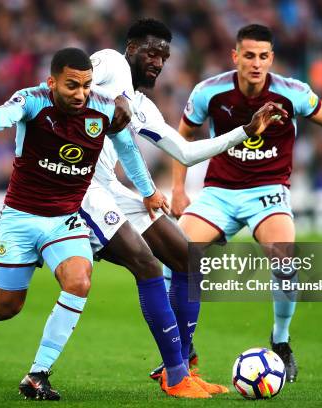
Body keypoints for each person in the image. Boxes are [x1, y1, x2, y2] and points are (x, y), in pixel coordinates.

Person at [80, 18, 287, 397]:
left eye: (164, 56)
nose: (158, 62)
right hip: (80, 188)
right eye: (151, 52)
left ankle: (180, 366)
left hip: (114, 189)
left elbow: (186, 152)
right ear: (130, 48)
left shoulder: (143, 107)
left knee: (189, 260)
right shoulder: (108, 62)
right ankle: (176, 376)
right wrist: (114, 98)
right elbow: (78, 82)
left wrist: (246, 131)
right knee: (147, 265)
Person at [169, 24, 322, 382]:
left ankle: (280, 340)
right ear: (235, 56)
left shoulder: (292, 92)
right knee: (174, 252)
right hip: (219, 191)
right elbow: (181, 136)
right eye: (248, 55)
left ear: (272, 58)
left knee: (284, 256)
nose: (256, 63)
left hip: (268, 191)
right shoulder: (210, 91)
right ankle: (181, 349)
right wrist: (177, 188)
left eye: (263, 56)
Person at [0, 47, 164, 401]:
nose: (81, 93)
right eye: (72, 86)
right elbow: (8, 113)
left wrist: (147, 192)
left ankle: (37, 375)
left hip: (64, 221)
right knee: (10, 305)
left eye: (85, 85)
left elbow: (128, 150)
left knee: (79, 281)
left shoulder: (103, 109)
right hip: (20, 219)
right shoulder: (34, 100)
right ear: (52, 82)